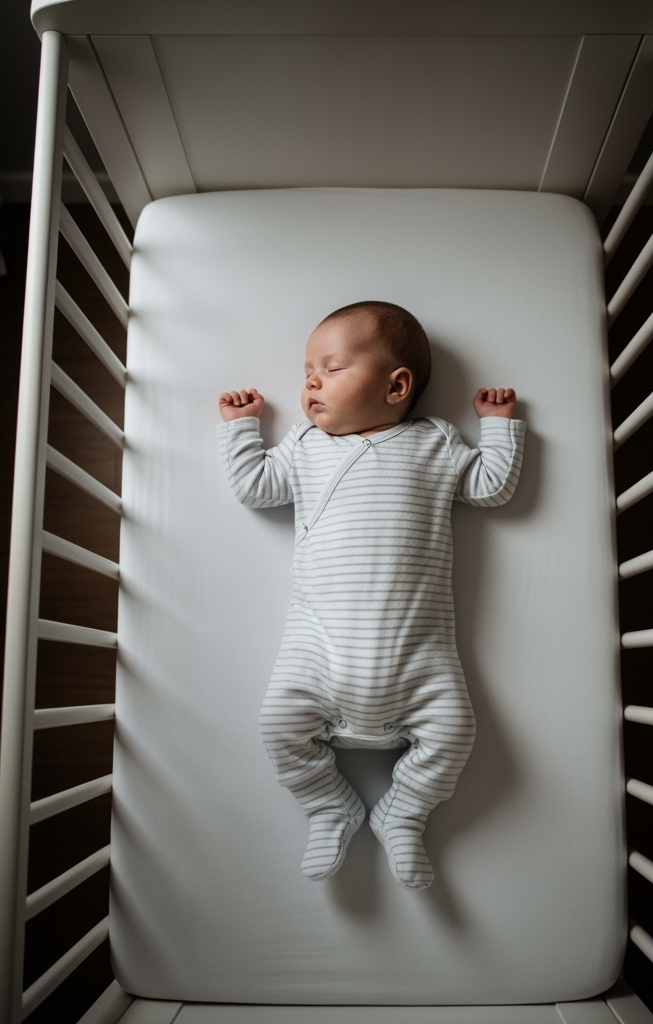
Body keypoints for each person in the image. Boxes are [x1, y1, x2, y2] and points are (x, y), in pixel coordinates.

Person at [217, 301, 524, 889]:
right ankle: (330, 805)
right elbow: (256, 487)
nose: (310, 382)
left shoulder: (435, 442)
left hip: (420, 656)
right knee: (277, 723)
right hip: (318, 651)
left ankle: (403, 812)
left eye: (330, 368)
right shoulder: (305, 445)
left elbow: (490, 487)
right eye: (308, 370)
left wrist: (500, 425)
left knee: (455, 732)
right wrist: (241, 429)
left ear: (396, 385)